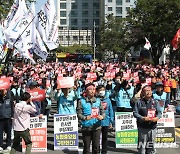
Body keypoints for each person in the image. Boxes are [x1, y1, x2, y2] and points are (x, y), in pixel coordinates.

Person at [76, 83, 105, 154]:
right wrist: (85, 117)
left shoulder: (98, 101)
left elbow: (103, 112)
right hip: (86, 127)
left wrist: (102, 116)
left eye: (93, 89)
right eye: (90, 89)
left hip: (96, 127)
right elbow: (78, 114)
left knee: (96, 147)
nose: (92, 91)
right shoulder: (81, 101)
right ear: (86, 91)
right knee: (86, 148)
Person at [133, 85, 162, 154]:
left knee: (151, 146)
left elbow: (159, 113)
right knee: (142, 146)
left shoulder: (155, 102)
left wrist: (157, 118)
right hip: (142, 127)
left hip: (152, 127)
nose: (148, 92)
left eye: (149, 90)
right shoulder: (139, 102)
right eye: (146, 90)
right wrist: (142, 118)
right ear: (143, 92)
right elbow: (135, 113)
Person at [97, 85, 114, 154]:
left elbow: (111, 110)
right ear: (97, 91)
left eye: (103, 90)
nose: (102, 92)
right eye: (100, 90)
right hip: (96, 121)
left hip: (106, 121)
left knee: (105, 138)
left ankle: (104, 151)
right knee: (96, 139)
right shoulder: (95, 99)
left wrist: (111, 121)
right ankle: (96, 151)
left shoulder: (108, 100)